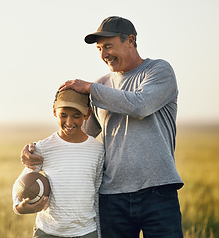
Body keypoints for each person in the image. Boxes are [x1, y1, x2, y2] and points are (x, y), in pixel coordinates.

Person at [21, 16, 184, 238]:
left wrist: (89, 88)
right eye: (99, 49)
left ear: (130, 40)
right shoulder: (102, 85)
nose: (104, 54)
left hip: (157, 191)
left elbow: (140, 105)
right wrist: (36, 152)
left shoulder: (158, 71)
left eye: (109, 46)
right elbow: (79, 133)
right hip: (112, 197)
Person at [12, 89, 105, 238]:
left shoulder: (97, 150)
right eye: (63, 115)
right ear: (54, 111)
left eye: (76, 116)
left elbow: (97, 192)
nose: (69, 122)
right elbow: (22, 182)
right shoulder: (42, 148)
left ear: (87, 114)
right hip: (48, 231)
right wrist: (19, 207)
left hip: (86, 231)